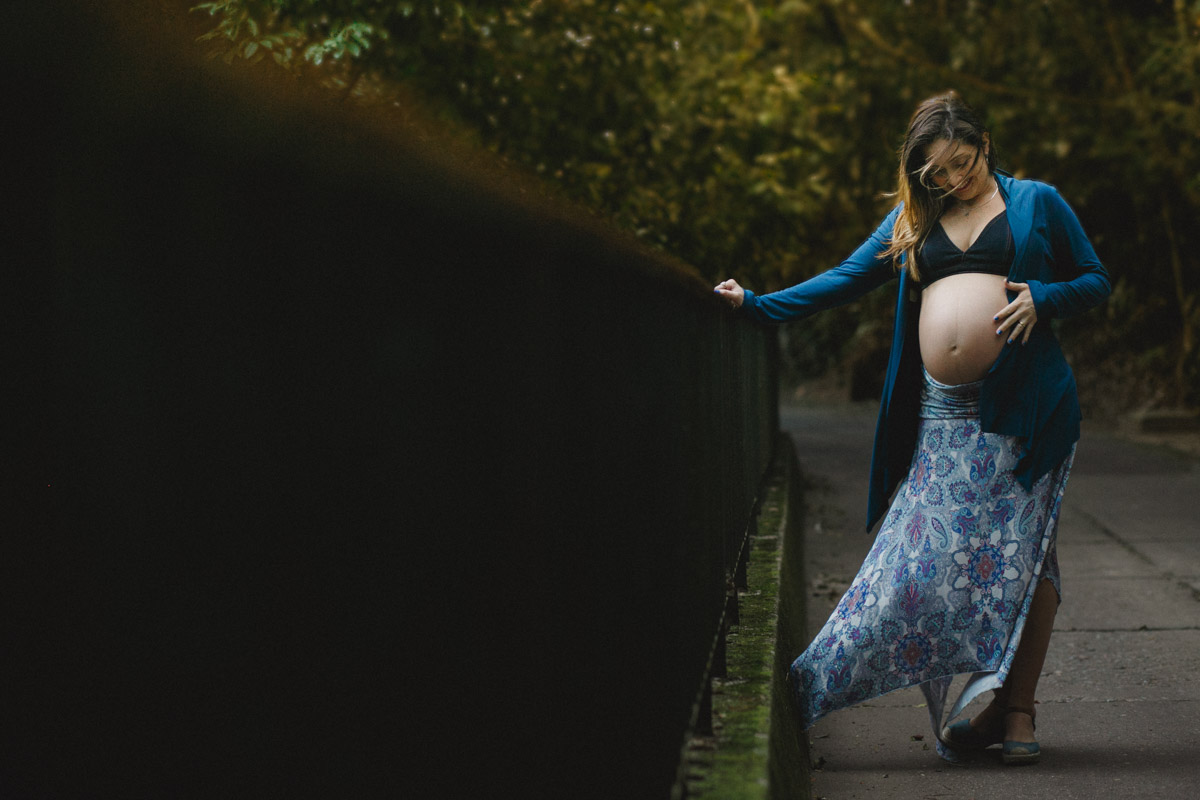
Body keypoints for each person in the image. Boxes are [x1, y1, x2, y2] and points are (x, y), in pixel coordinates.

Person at [714, 91, 1110, 765]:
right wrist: (758, 306)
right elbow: (844, 279)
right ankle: (847, 684)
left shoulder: (1038, 201)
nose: (955, 181)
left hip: (1023, 406)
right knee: (914, 565)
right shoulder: (912, 219)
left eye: (963, 163)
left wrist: (1044, 297)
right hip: (944, 418)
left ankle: (1017, 710)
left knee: (1028, 554)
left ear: (984, 144)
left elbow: (1095, 280)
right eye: (938, 174)